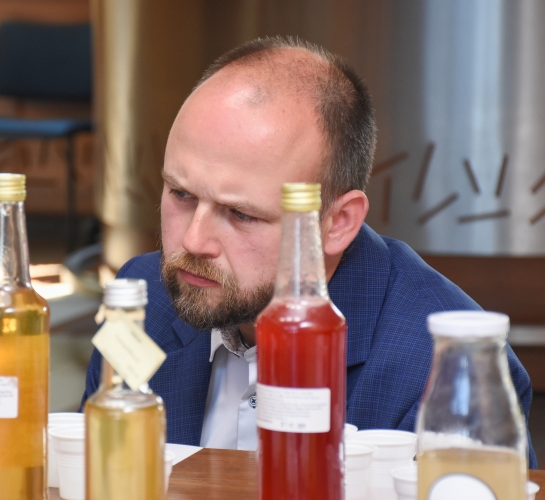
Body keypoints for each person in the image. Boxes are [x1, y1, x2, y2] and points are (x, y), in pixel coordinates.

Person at [81, 36, 536, 466]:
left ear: (338, 223)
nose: (193, 242)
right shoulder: (142, 299)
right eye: (181, 194)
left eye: (241, 214)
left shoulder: (448, 371)